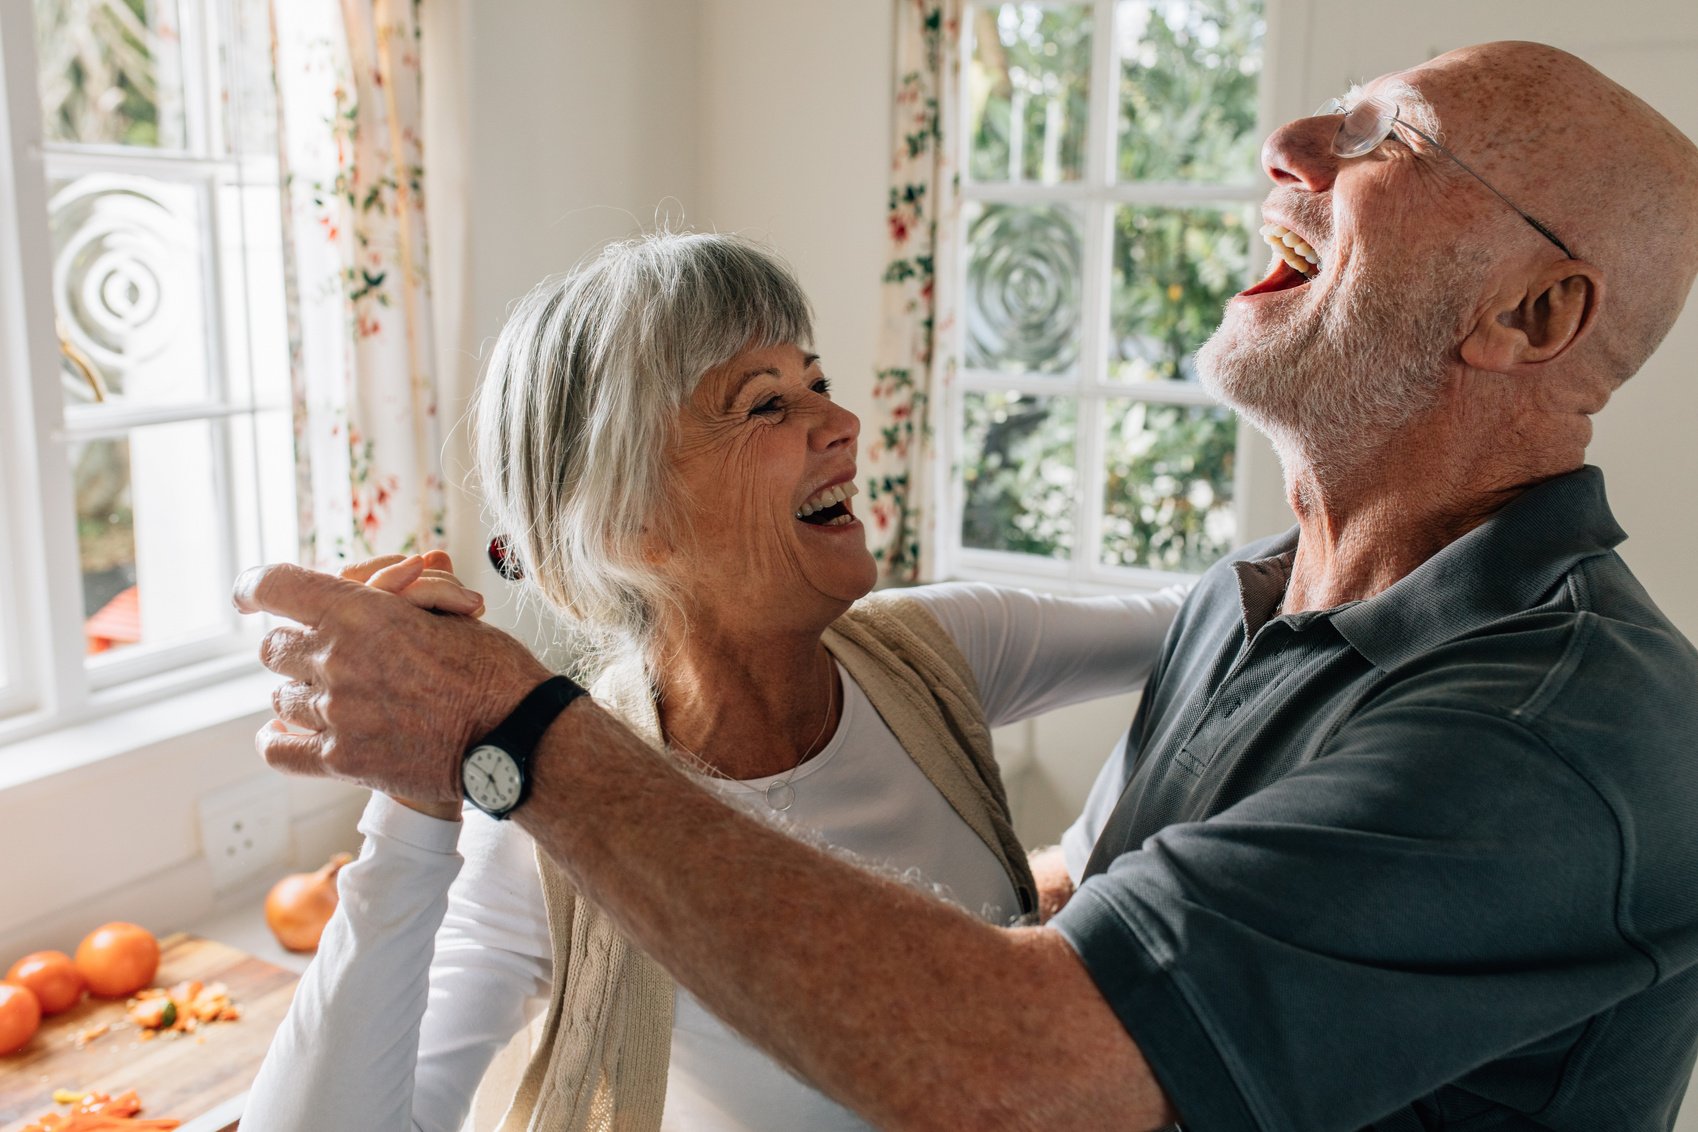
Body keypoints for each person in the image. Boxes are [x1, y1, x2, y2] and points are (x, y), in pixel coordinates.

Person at [237, 41, 1698, 1130]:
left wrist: (507, 735)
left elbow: (1029, 1061)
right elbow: (1114, 908)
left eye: (1391, 137)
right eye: (762, 402)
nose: (1287, 140)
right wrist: (430, 792)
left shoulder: (1557, 739)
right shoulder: (1248, 605)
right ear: (625, 523)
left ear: (1534, 315)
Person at [237, 232, 1184, 1131]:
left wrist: (1096, 860)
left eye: (818, 383)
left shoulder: (935, 652)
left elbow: (1220, 626)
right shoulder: (539, 817)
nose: (844, 424)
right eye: (766, 404)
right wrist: (412, 800)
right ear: (628, 522)